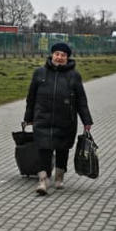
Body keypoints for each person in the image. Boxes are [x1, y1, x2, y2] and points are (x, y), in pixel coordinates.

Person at [24, 42, 93, 195]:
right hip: (43, 118)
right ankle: (43, 180)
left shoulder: (74, 76)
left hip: (65, 120)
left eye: (63, 55)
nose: (59, 57)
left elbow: (81, 100)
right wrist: (28, 116)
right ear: (52, 55)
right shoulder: (39, 73)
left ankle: (59, 177)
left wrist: (86, 120)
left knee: (62, 149)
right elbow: (31, 97)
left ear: (67, 58)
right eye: (57, 54)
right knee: (43, 149)